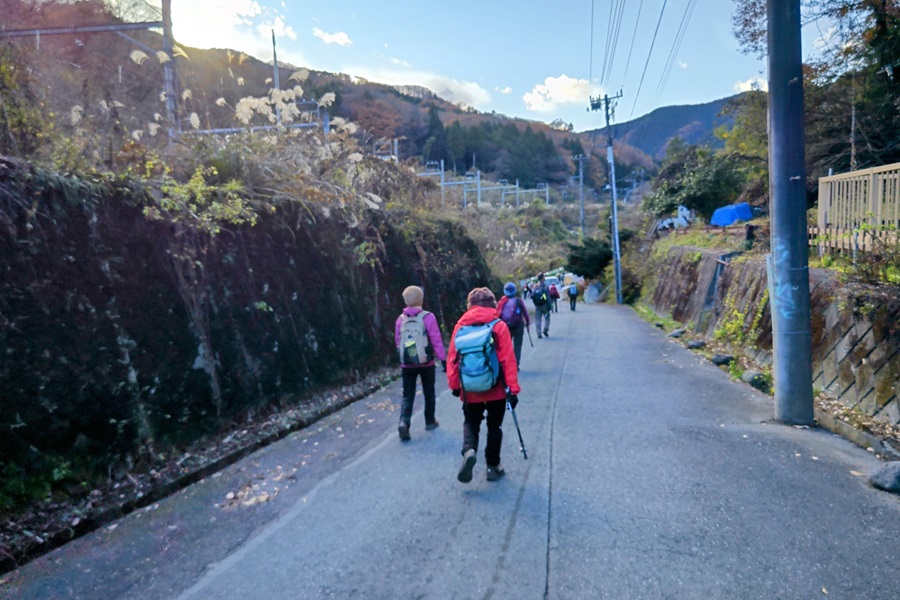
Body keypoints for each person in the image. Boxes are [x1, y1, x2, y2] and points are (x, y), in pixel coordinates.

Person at [447, 287, 521, 483]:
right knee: (494, 426)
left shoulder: (460, 326)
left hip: (470, 388)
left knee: (471, 422)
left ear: (470, 306)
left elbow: (453, 358)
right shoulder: (499, 326)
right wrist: (513, 390)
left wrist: (455, 385)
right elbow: (508, 360)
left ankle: (469, 450)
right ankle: (492, 466)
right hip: (496, 388)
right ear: (493, 304)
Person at [395, 285, 446, 441]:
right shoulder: (428, 317)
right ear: (421, 300)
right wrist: (443, 359)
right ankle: (430, 421)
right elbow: (436, 339)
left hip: (407, 364)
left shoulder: (400, 319)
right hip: (426, 363)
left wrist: (405, 356)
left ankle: (404, 422)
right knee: (429, 392)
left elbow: (397, 341)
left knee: (407, 394)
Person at [496, 282, 530, 368]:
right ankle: (516, 364)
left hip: (506, 327)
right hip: (519, 325)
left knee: (507, 346)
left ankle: (507, 364)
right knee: (517, 346)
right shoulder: (518, 301)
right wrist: (527, 323)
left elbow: (497, 314)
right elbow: (525, 313)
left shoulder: (502, 301)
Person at [530, 273, 552, 338]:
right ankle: (545, 329)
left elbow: (532, 296)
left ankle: (539, 333)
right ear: (542, 278)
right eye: (544, 277)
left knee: (538, 320)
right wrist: (550, 305)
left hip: (537, 306)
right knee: (547, 318)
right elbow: (547, 297)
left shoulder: (535, 286)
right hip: (545, 305)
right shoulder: (545, 286)